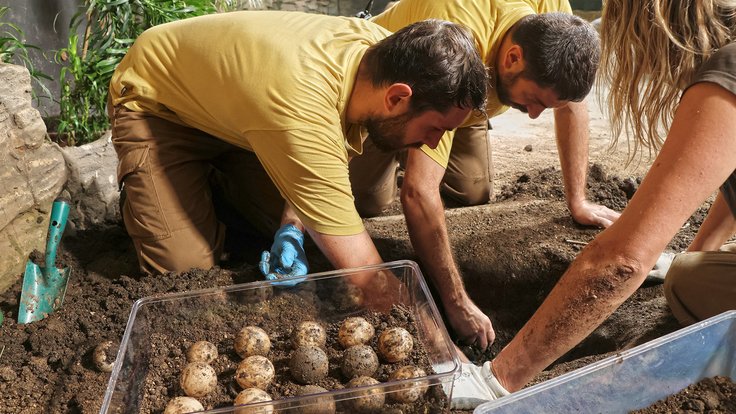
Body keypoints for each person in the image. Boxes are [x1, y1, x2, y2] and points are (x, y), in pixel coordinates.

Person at [262, 0, 614, 351]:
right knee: (367, 198)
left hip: (466, 107)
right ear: (512, 58)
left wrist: (578, 199)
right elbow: (417, 192)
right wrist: (455, 303)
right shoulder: (458, 42)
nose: (535, 115)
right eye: (533, 99)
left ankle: (426, 147)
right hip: (398, 101)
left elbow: (568, 102)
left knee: (471, 189)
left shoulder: (555, 22)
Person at [450, 0, 736, 409]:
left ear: (645, 25)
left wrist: (499, 379)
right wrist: (695, 257)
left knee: (688, 292)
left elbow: (623, 261)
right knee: (688, 280)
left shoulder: (726, 75)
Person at [108, 12, 488, 279]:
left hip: (243, 118)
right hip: (158, 109)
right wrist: (437, 344)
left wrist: (292, 224)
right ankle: (152, 190)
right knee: (184, 268)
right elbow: (367, 278)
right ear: (397, 98)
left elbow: (323, 151)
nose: (435, 143)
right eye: (435, 128)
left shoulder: (382, 56)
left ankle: (209, 189)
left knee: (304, 225)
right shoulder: (299, 102)